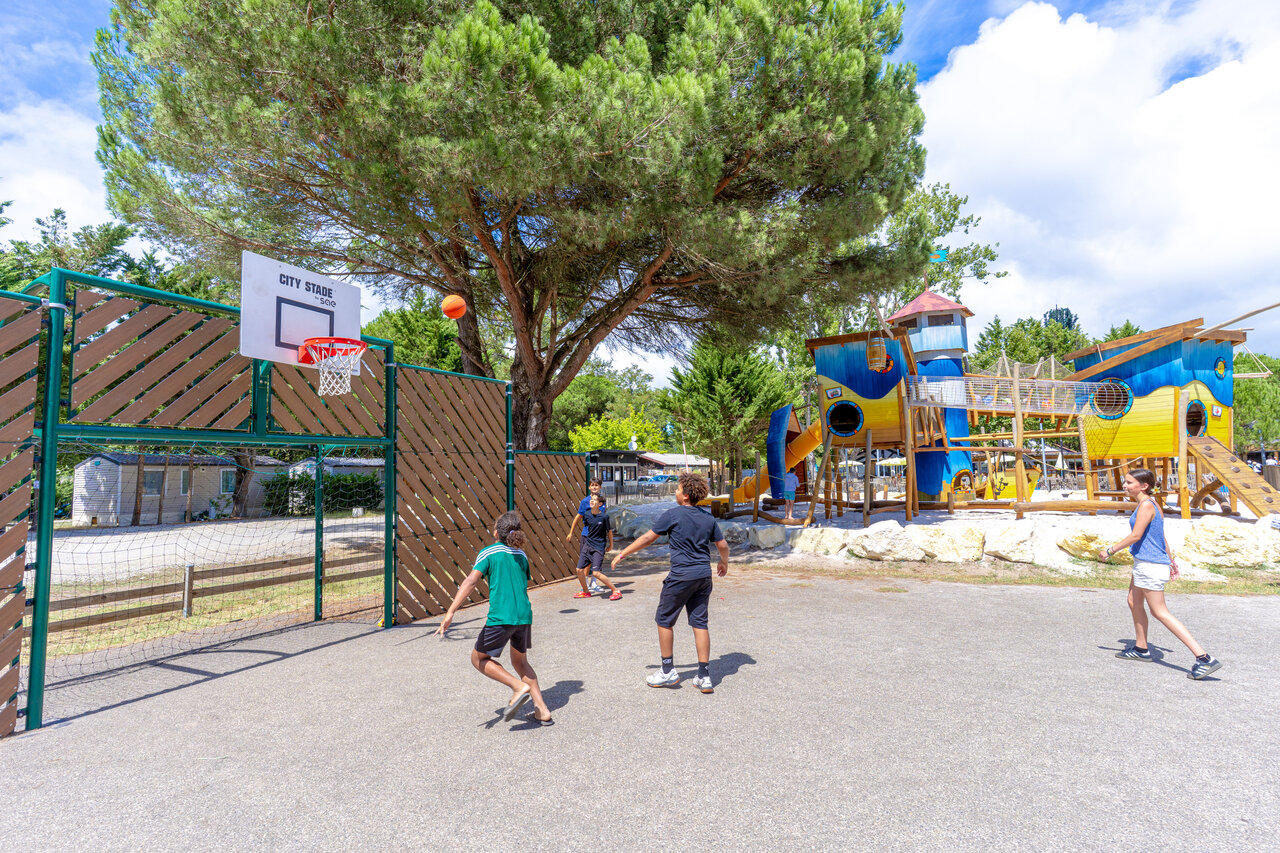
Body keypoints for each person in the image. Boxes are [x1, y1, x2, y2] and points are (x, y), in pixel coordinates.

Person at [611, 472, 729, 693]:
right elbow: (722, 544)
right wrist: (724, 562)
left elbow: (648, 538)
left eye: (677, 489)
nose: (675, 492)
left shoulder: (673, 515)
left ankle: (667, 671)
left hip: (681, 576)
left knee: (664, 620)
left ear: (684, 495)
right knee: (699, 622)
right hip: (703, 576)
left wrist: (622, 553)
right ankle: (704, 676)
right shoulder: (708, 518)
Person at [1099, 468, 1222, 680]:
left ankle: (1203, 658)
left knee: (1160, 612)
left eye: (1129, 482)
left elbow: (1136, 535)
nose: (1125, 485)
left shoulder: (1147, 505)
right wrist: (1170, 559)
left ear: (1143, 486)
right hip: (1147, 562)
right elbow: (1160, 535)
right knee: (1133, 601)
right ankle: (1141, 648)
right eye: (1125, 482)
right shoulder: (1152, 503)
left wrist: (1110, 551)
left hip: (1150, 565)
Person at [436, 511, 553, 724]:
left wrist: (451, 611)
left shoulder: (488, 552)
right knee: (520, 662)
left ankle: (518, 687)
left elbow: (470, 582)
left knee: (478, 658)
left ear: (496, 532)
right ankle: (541, 709)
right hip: (524, 616)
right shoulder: (521, 555)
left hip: (501, 616)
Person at [572, 493, 621, 600]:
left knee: (596, 573)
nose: (591, 501)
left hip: (598, 547)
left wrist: (611, 545)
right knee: (579, 570)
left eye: (594, 500)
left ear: (600, 504)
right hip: (587, 545)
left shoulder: (604, 517)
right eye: (591, 499)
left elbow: (609, 532)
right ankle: (586, 592)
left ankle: (616, 590)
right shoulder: (587, 514)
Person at [566, 478, 606, 593]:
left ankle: (594, 583)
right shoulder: (585, 502)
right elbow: (577, 518)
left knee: (597, 560)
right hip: (587, 536)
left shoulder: (602, 501)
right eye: (592, 485)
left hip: (599, 537)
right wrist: (571, 532)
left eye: (597, 485)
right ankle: (586, 585)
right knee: (587, 560)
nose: (594, 487)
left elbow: (602, 518)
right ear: (589, 487)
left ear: (600, 487)